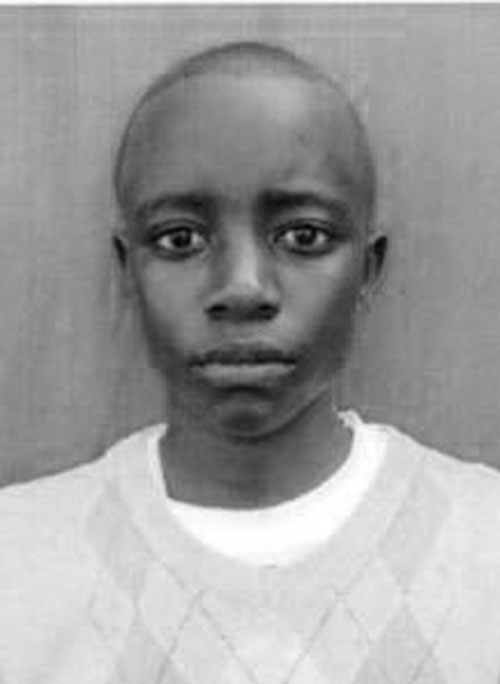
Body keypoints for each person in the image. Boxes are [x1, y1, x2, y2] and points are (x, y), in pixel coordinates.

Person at [1, 41, 500, 684]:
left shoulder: (484, 547)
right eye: (180, 238)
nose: (243, 288)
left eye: (303, 236)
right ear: (128, 270)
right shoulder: (18, 562)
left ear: (368, 269)